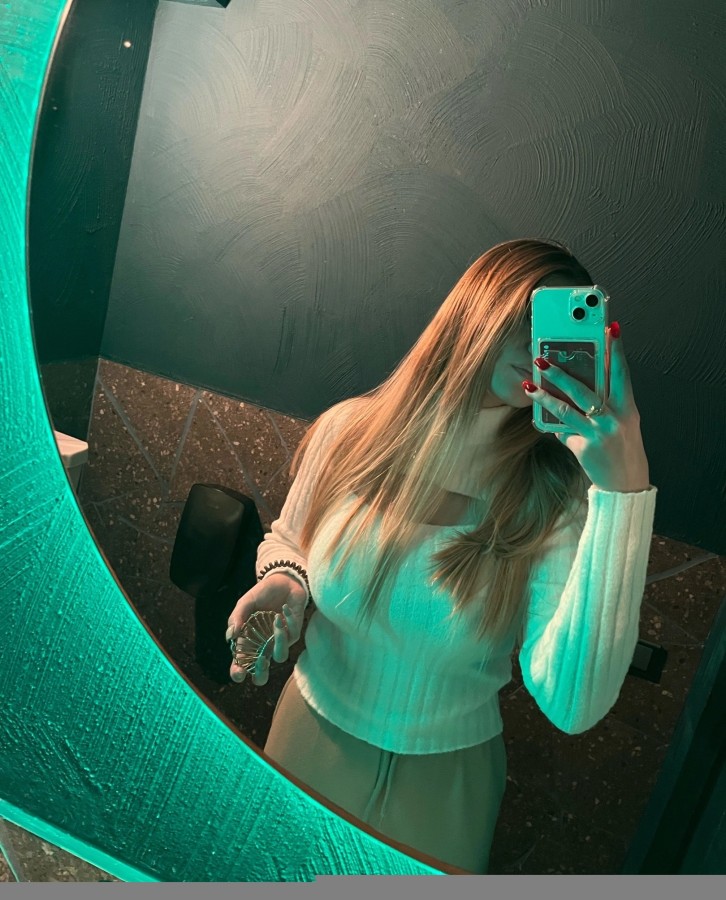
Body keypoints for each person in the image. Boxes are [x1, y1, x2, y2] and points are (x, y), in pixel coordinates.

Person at [225, 238, 657, 874]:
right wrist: (287, 579)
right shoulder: (349, 433)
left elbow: (574, 705)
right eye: (525, 315)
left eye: (559, 326)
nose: (538, 344)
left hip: (447, 788)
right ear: (477, 311)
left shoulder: (555, 495)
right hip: (307, 737)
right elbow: (291, 538)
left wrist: (623, 488)